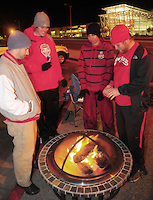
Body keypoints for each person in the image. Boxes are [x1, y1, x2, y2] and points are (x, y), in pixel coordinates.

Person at [103, 24, 153, 179]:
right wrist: (110, 84)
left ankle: (138, 166)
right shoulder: (120, 54)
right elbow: (115, 72)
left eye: (117, 45)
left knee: (135, 139)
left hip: (135, 106)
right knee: (123, 137)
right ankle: (126, 163)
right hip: (120, 104)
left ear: (125, 40)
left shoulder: (143, 55)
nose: (116, 48)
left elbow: (142, 83)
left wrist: (119, 90)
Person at [0, 31, 41, 195]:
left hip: (26, 118)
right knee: (23, 151)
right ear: (18, 47)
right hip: (21, 120)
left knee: (28, 149)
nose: (28, 52)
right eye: (27, 48)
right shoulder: (4, 68)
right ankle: (24, 181)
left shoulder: (12, 63)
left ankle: (28, 165)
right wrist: (30, 107)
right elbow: (6, 102)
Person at [21, 12, 67, 145]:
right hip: (37, 85)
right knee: (40, 113)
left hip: (52, 83)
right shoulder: (27, 39)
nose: (45, 30)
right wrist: (39, 67)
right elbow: (23, 63)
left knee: (53, 112)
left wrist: (60, 77)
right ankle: (44, 134)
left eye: (47, 27)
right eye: (42, 27)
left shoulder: (49, 39)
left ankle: (52, 131)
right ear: (36, 25)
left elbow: (55, 61)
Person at [78, 23, 115, 135]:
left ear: (99, 35)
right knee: (89, 117)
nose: (91, 38)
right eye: (89, 35)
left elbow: (110, 69)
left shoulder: (107, 48)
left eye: (93, 35)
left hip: (103, 90)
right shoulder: (84, 48)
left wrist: (103, 87)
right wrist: (83, 87)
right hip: (89, 89)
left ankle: (109, 139)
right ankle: (91, 138)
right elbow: (81, 68)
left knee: (107, 117)